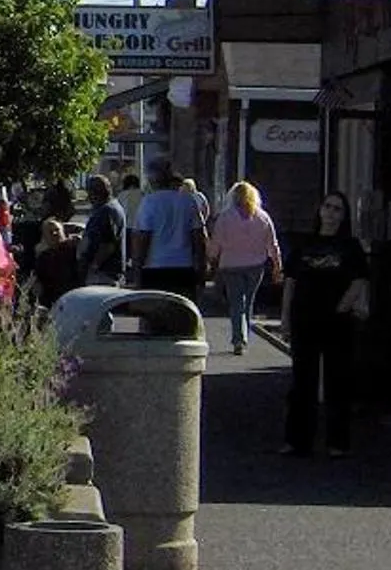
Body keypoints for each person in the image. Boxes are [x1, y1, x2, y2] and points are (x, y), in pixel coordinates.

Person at [279, 191, 372, 456]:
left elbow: (360, 279)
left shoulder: (350, 247)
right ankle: (296, 440)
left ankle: (337, 443)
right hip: (304, 318)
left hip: (336, 322)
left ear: (343, 216)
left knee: (337, 380)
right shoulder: (304, 244)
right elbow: (290, 281)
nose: (331, 213)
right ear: (319, 211)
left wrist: (342, 307)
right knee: (301, 381)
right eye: (327, 207)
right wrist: (285, 317)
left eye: (337, 210)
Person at [208, 180, 283, 355]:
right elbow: (272, 244)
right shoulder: (262, 217)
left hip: (231, 265)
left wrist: (211, 259)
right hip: (256, 266)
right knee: (248, 302)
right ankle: (244, 335)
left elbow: (216, 242)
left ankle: (238, 339)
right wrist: (277, 265)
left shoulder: (225, 217)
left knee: (236, 303)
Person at [129, 161, 205, 298]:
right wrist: (201, 272)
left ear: (151, 180)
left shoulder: (149, 202)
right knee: (182, 314)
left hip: (155, 268)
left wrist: (137, 274)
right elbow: (199, 238)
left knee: (155, 315)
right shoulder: (188, 201)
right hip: (184, 268)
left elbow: (142, 239)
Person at [29, 179, 83, 305]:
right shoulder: (43, 257)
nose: (54, 234)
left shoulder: (72, 251)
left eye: (56, 231)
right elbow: (38, 282)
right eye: (50, 232)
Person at [79, 173, 127, 289]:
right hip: (107, 272)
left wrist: (94, 266)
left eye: (93, 191)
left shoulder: (106, 210)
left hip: (103, 273)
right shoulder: (112, 207)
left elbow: (108, 244)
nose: (90, 196)